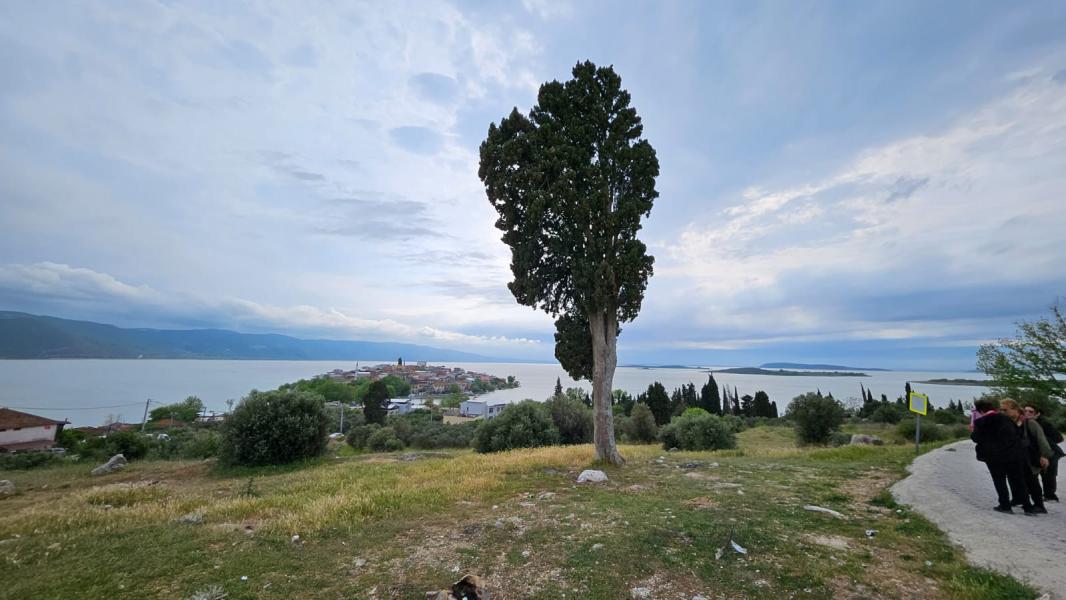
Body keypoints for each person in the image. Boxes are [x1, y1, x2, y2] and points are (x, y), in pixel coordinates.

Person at [971, 398, 1034, 514]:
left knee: (999, 481)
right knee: (1019, 481)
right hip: (1012, 455)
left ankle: (1005, 505)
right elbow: (1017, 433)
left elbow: (976, 438)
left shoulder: (980, 422)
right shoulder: (1005, 418)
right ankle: (1028, 507)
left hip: (993, 457)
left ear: (981, 411)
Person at [1000, 399, 1050, 514]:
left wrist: (1044, 456)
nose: (1003, 412)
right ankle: (1018, 499)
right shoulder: (1008, 422)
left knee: (1032, 481)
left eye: (1005, 410)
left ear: (1015, 409)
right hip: (1015, 458)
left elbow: (1041, 440)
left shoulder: (1030, 423)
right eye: (1001, 410)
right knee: (1015, 480)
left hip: (1030, 458)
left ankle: (1039, 505)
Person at [1024, 403, 1064, 502]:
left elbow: (1059, 438)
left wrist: (1044, 441)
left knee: (1048, 474)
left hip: (1051, 452)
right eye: (1025, 411)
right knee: (1032, 472)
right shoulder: (1025, 423)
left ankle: (1050, 496)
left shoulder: (1044, 424)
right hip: (1037, 452)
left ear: (1037, 414)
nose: (1027, 413)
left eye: (1030, 412)